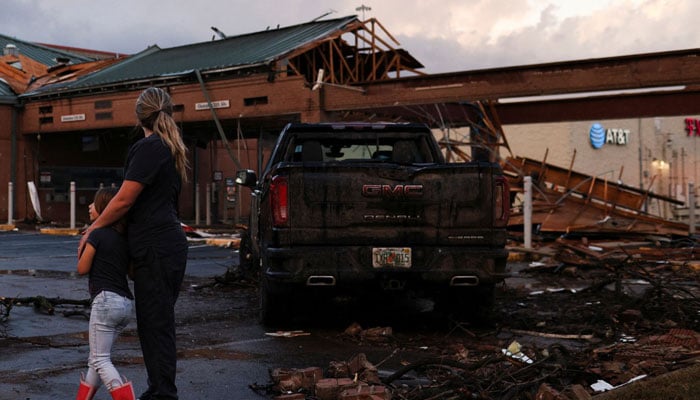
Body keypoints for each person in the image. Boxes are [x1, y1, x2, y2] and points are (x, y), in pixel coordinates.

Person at [79, 86, 189, 400]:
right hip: (166, 246)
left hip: (156, 249)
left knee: (155, 326)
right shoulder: (168, 147)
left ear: (139, 115)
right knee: (158, 324)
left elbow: (125, 200)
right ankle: (161, 391)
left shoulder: (150, 147)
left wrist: (92, 229)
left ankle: (162, 395)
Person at [76, 187, 135, 400]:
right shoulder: (124, 238)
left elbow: (82, 269)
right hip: (125, 304)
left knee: (101, 359)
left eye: (94, 203)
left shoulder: (98, 234)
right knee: (96, 359)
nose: (90, 207)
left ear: (104, 208)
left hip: (105, 302)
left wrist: (83, 247)